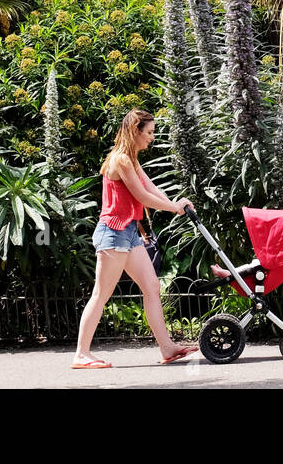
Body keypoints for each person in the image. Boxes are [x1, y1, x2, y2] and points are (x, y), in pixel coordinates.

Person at [72, 109, 199, 368]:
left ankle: (167, 348)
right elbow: (141, 197)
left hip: (128, 232)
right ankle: (81, 354)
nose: (152, 137)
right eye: (149, 132)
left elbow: (151, 188)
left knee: (152, 287)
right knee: (101, 294)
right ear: (135, 131)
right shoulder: (120, 160)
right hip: (113, 233)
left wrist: (175, 203)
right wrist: (173, 208)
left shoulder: (131, 158)